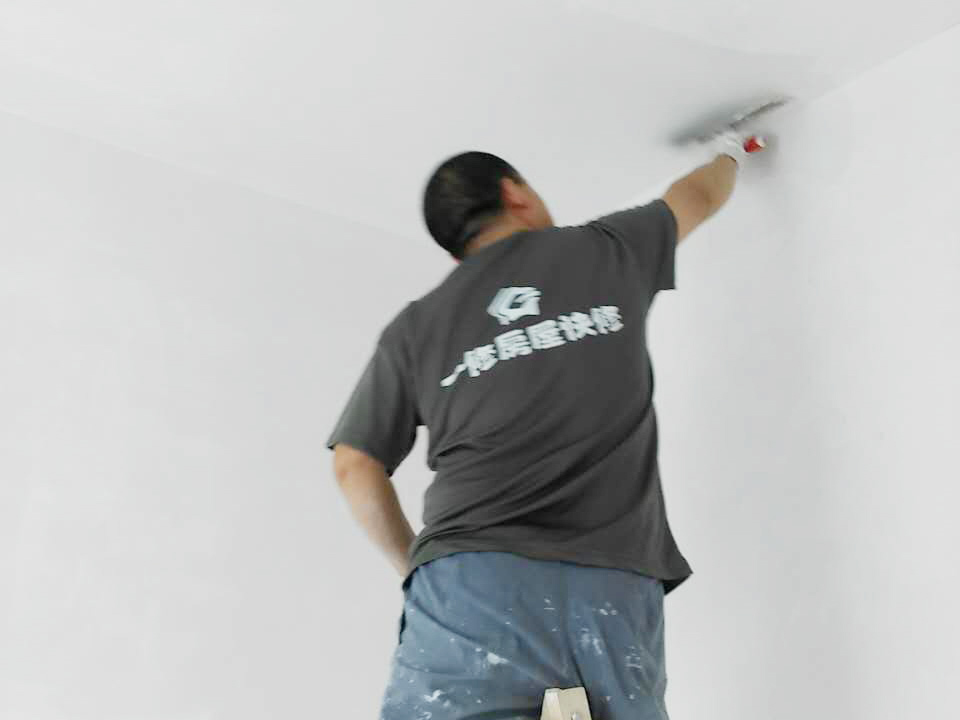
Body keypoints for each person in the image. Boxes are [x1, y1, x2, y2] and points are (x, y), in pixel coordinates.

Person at [328, 138, 754, 719]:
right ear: (515, 194)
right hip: (612, 582)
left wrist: (419, 568)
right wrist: (731, 154)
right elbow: (696, 196)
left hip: (470, 581)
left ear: (456, 250)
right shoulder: (605, 249)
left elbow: (353, 464)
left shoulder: (416, 327)